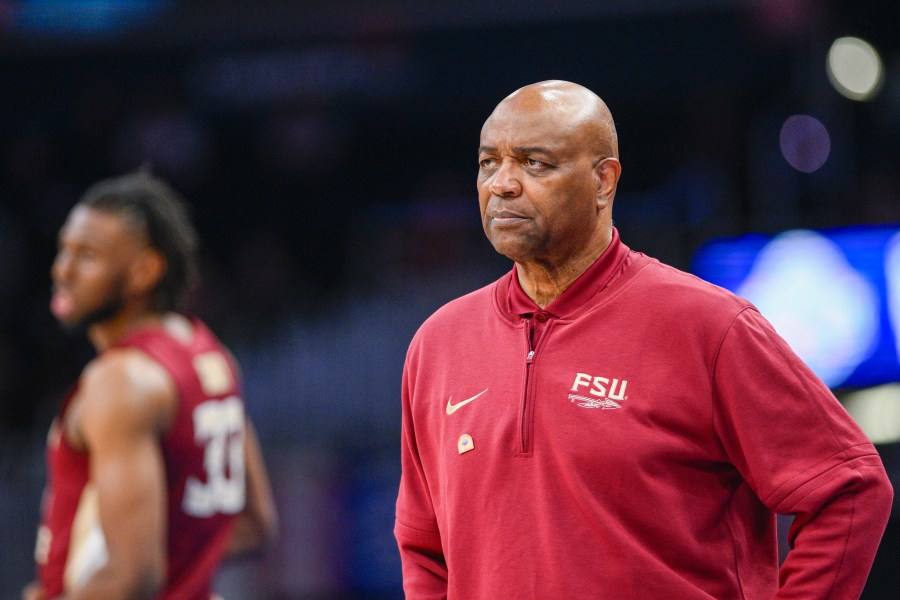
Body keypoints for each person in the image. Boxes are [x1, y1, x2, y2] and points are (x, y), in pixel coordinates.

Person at [394, 80, 893, 598]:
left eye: (534, 163)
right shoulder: (438, 345)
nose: (502, 184)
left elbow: (849, 487)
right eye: (488, 163)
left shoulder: (709, 326)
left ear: (603, 181)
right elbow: (424, 547)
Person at [23, 171, 278, 600]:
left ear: (144, 271)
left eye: (87, 255)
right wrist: (184, 572)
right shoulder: (208, 354)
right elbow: (253, 524)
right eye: (63, 249)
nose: (62, 269)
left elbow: (132, 579)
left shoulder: (121, 379)